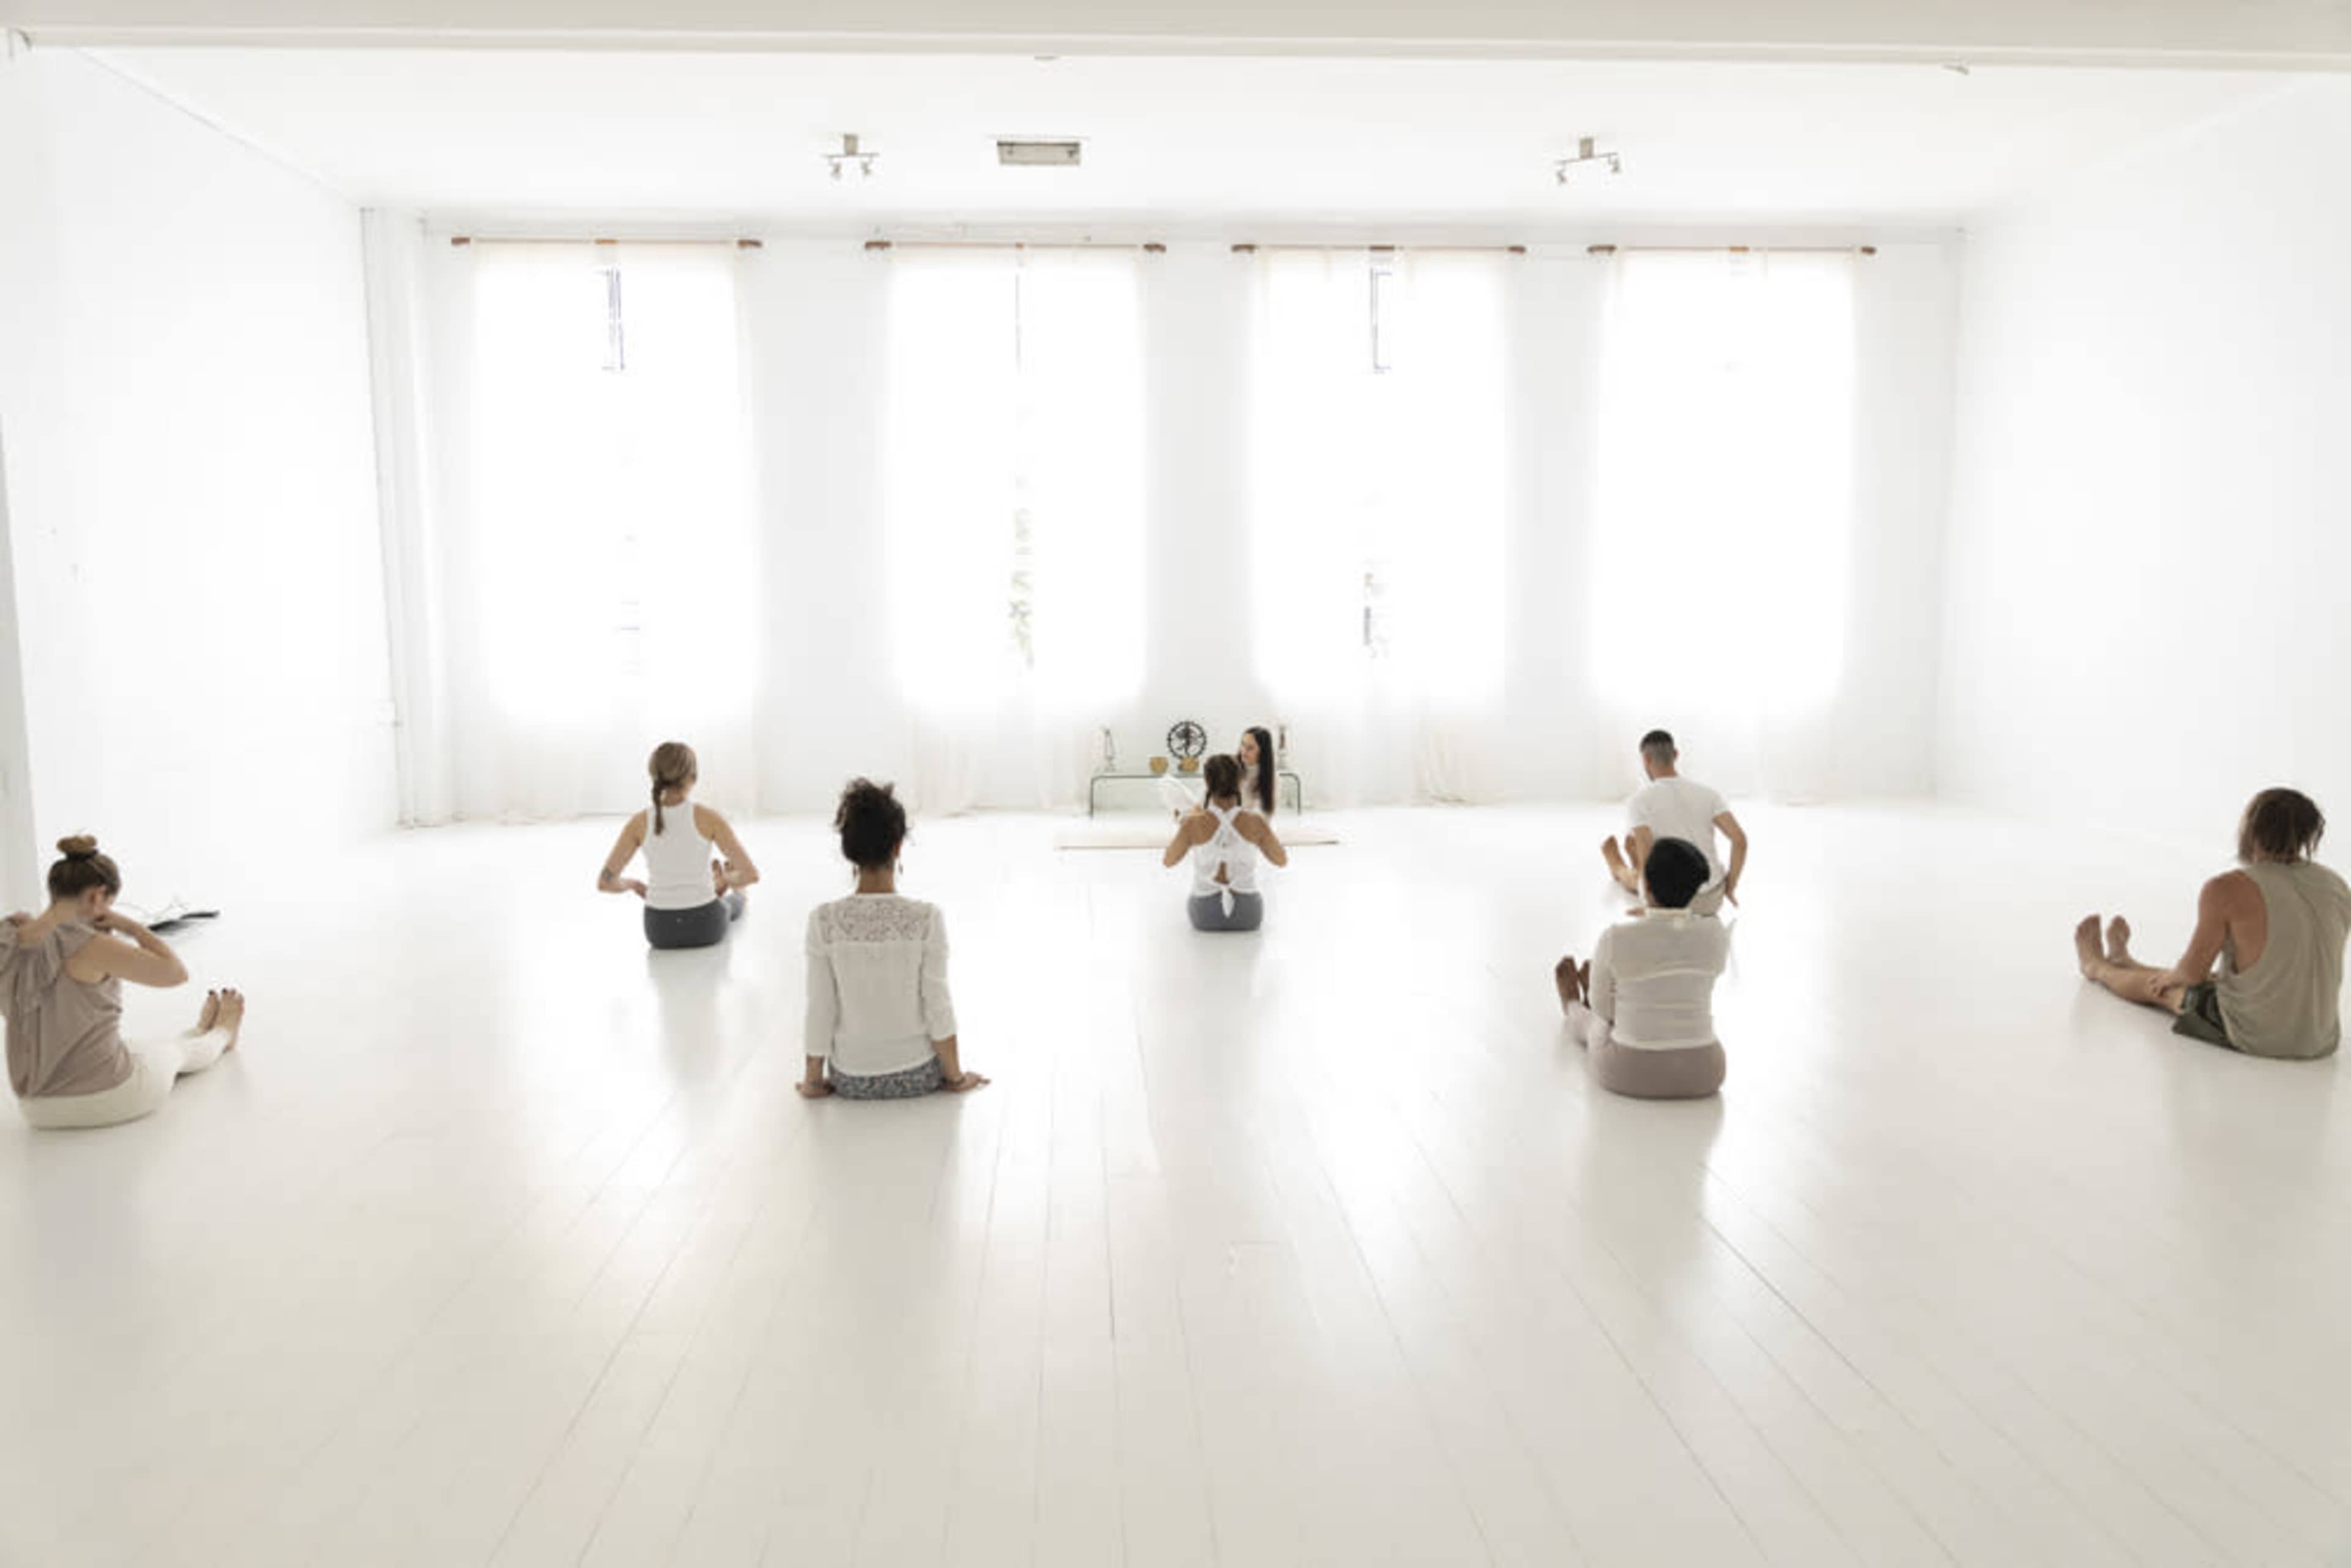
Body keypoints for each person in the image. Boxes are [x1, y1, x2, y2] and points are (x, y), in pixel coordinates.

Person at [2075, 787, 2351, 1060]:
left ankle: (2097, 967)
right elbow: (2291, 962)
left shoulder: (2227, 888)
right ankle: (2125, 961)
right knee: (2210, 978)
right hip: (2319, 1039)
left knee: (2165, 988)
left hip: (2259, 1037)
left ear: (2251, 830)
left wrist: (2170, 978)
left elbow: (2192, 973)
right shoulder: (2337, 885)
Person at [3, 836, 247, 1130]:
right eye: (110, 905)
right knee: (174, 1052)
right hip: (105, 1096)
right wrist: (128, 926)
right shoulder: (90, 945)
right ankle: (221, 1034)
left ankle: (198, 1031)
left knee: (145, 1048)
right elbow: (175, 973)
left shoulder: (7, 941)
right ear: (97, 896)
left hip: (36, 1108)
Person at [800, 778, 988, 1099]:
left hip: (850, 1079)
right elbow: (937, 1004)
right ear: (898, 845)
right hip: (919, 1075)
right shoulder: (927, 918)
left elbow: (821, 1007)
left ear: (849, 851)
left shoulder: (823, 921)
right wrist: (955, 1078)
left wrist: (813, 1082)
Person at [1555, 836, 1729, 1099]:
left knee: (1597, 1023)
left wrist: (1601, 1001)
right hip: (1705, 1072)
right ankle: (1609, 989)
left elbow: (1604, 1013)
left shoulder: (1616, 937)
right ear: (1695, 889)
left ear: (1644, 885)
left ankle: (1572, 1004)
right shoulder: (1716, 934)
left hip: (1628, 1071)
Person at [598, 741, 760, 950]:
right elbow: (751, 875)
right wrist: (727, 880)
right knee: (734, 901)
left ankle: (717, 888)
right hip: (705, 925)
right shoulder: (709, 818)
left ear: (653, 776)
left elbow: (605, 883)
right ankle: (735, 892)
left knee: (720, 900)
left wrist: (634, 885)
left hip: (659, 930)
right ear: (692, 776)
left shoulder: (638, 823)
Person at [1602, 729, 1747, 915]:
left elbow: (1646, 851)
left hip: (1668, 901)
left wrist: (1649, 905)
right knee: (1657, 860)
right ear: (1676, 755)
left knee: (1638, 868)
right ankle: (1632, 862)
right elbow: (1740, 841)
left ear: (1646, 759)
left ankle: (1618, 866)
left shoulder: (1639, 801)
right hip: (1711, 899)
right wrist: (1730, 886)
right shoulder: (1708, 794)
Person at [1164, 752, 1288, 931]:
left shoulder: (1192, 823)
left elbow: (1168, 861)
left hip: (1204, 915)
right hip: (1248, 915)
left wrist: (1185, 827)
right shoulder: (1256, 822)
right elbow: (1281, 860)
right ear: (1240, 782)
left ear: (1207, 782)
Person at [1164, 725, 1281, 819]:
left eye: (1250, 748)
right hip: (1213, 814)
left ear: (1263, 751)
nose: (1244, 751)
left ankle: (1185, 820)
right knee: (1167, 783)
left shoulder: (1272, 778)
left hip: (1241, 825)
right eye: (1243, 745)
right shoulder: (1232, 765)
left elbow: (1264, 815)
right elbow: (1206, 795)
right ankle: (1188, 821)